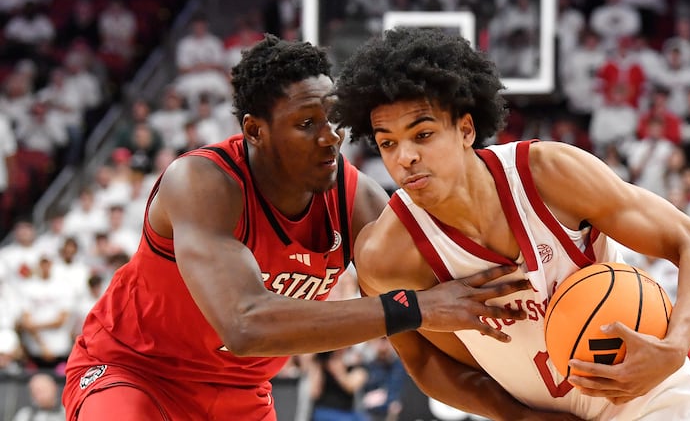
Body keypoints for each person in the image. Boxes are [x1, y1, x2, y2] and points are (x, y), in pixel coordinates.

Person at [61, 35, 529, 420]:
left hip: (241, 395)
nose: (330, 137)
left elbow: (424, 352)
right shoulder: (204, 183)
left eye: (333, 120)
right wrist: (415, 306)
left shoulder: (359, 201)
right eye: (307, 123)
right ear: (255, 130)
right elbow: (244, 324)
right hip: (134, 371)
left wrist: (529, 413)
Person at [330, 27, 690, 420]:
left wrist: (674, 347)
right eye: (388, 143)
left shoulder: (549, 174)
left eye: (422, 135)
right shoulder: (387, 255)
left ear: (465, 129)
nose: (404, 158)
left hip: (657, 397)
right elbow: (423, 362)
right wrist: (518, 416)